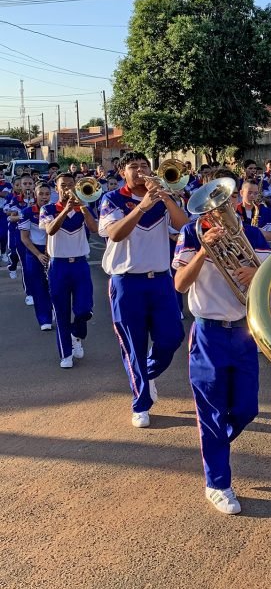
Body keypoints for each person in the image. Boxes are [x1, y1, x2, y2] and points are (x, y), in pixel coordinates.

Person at [173, 168, 271, 515]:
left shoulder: (255, 234)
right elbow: (180, 284)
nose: (220, 207)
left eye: (225, 199)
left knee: (247, 409)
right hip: (209, 332)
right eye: (213, 201)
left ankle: (213, 446)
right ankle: (218, 483)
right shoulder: (190, 233)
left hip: (244, 331)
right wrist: (203, 251)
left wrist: (258, 272)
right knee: (212, 413)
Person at [98, 152, 187, 427]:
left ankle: (145, 377)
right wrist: (142, 207)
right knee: (133, 346)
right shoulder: (112, 199)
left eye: (145, 166)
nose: (140, 171)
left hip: (160, 280)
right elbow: (115, 234)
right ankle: (141, 404)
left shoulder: (162, 199)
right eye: (133, 167)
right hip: (126, 281)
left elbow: (184, 227)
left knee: (172, 337)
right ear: (122, 172)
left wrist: (165, 196)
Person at [40, 173, 98, 368]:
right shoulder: (47, 209)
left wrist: (82, 207)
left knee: (84, 309)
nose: (67, 188)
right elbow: (50, 230)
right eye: (63, 186)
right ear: (57, 189)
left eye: (71, 185)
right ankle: (65, 354)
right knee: (62, 311)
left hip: (80, 264)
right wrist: (65, 210)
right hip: (58, 266)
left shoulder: (83, 208)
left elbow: (95, 228)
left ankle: (77, 334)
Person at [18, 183, 53, 330]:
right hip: (34, 252)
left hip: (52, 250)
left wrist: (49, 251)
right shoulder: (27, 212)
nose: (44, 197)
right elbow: (24, 238)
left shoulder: (54, 210)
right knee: (38, 286)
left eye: (47, 194)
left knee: (54, 285)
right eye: (41, 194)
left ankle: (54, 310)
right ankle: (44, 319)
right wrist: (38, 254)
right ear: (35, 195)